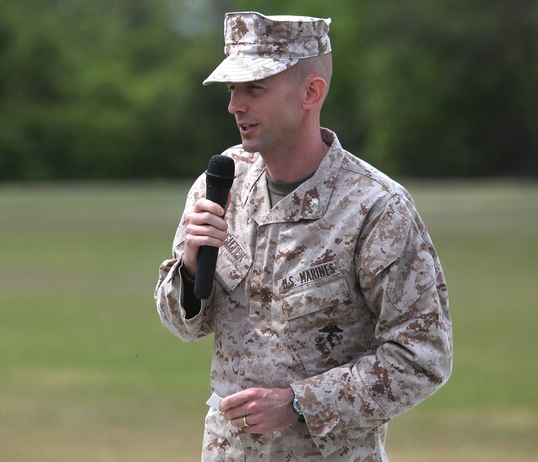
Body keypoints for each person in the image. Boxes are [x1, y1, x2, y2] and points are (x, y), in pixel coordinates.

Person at [154, 11, 452, 461]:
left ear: (311, 92)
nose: (235, 105)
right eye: (233, 89)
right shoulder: (220, 186)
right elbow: (183, 326)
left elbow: (423, 356)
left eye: (254, 88)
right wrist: (191, 267)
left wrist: (297, 403)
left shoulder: (375, 207)